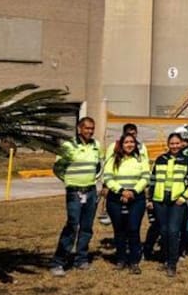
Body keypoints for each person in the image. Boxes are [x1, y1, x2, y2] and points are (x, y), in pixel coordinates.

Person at [49, 116, 103, 276]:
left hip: (91, 191)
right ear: (79, 128)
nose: (90, 131)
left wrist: (95, 178)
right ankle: (58, 262)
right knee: (72, 225)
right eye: (87, 128)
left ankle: (81, 259)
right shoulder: (68, 145)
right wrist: (69, 180)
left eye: (92, 128)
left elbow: (99, 164)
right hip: (74, 191)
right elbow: (58, 167)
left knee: (87, 227)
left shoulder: (96, 145)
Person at [148, 132, 188, 277]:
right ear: (168, 145)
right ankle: (165, 258)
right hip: (160, 201)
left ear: (181, 144)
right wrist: (150, 199)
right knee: (164, 231)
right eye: (172, 143)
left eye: (177, 143)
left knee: (174, 231)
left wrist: (184, 197)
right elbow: (153, 180)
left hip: (177, 201)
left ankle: (172, 264)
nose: (174, 146)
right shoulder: (160, 159)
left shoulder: (187, 160)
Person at [102, 129, 148, 273]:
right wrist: (121, 191)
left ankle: (134, 261)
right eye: (126, 142)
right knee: (119, 230)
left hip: (136, 198)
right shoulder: (113, 159)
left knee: (133, 229)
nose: (129, 144)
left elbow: (145, 177)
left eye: (132, 142)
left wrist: (133, 192)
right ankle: (121, 259)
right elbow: (108, 178)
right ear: (121, 144)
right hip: (116, 198)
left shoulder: (141, 159)